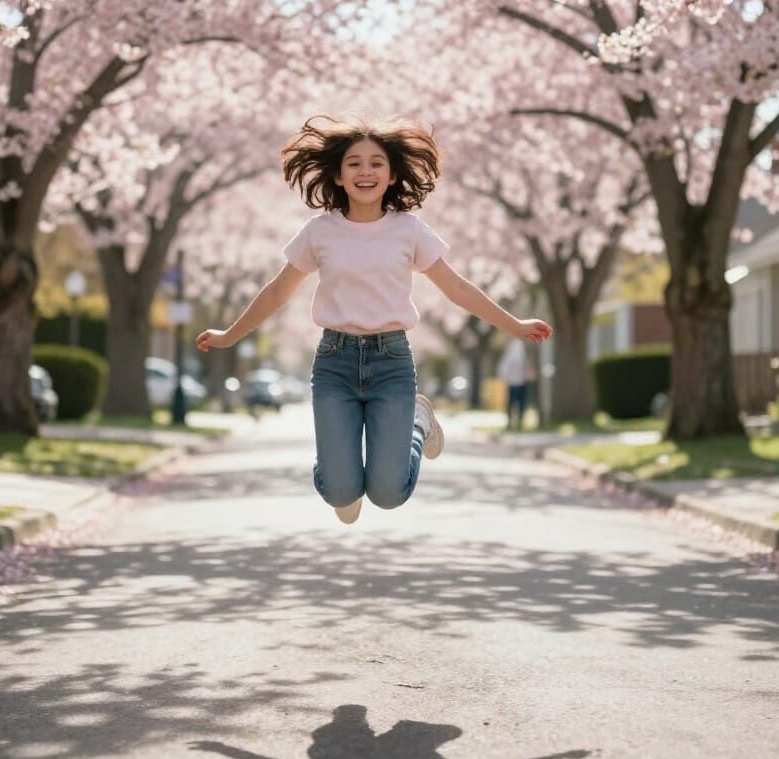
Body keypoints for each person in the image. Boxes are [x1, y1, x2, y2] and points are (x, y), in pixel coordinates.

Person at [196, 115, 552, 525]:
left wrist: (515, 325)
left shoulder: (409, 230)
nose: (365, 171)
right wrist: (229, 335)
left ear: (392, 174)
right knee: (339, 491)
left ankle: (418, 424)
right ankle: (339, 478)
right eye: (354, 163)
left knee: (388, 494)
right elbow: (278, 291)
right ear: (339, 175)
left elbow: (458, 288)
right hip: (334, 361)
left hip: (392, 362)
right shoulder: (319, 232)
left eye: (376, 163)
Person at [497, 336, 537, 431]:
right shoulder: (513, 350)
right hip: (514, 381)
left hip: (521, 380)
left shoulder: (524, 350)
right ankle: (513, 420)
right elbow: (506, 366)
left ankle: (518, 420)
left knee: (519, 402)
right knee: (514, 402)